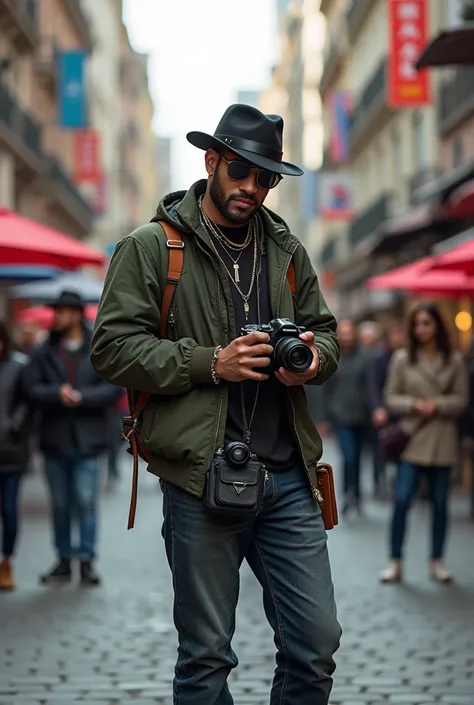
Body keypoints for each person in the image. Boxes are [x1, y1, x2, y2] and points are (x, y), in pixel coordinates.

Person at [91, 104, 341, 705]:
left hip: (286, 478)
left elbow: (327, 333)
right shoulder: (153, 247)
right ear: (212, 162)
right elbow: (111, 348)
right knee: (205, 659)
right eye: (241, 172)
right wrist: (210, 363)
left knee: (316, 644)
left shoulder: (284, 249)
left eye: (266, 179)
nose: (252, 188)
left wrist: (307, 358)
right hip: (200, 478)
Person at [24, 290, 121, 587]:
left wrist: (81, 397)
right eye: (57, 311)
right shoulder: (43, 350)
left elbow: (114, 386)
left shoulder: (99, 347)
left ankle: (87, 561)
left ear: (78, 314)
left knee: (86, 501)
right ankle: (64, 559)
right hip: (55, 438)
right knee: (62, 503)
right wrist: (57, 393)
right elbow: (30, 389)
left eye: (64, 311)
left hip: (89, 439)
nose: (58, 317)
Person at [379, 303, 467, 584]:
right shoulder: (403, 359)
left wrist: (437, 406)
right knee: (402, 501)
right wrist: (415, 405)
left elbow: (462, 400)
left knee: (440, 503)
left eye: (427, 323)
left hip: (441, 439)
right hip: (412, 438)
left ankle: (437, 561)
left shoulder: (453, 359)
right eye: (417, 324)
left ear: (437, 326)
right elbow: (391, 398)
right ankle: (395, 561)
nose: (421, 329)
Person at [321, 319, 370, 515]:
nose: (347, 337)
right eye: (344, 333)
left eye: (350, 332)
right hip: (339, 415)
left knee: (358, 457)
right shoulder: (334, 357)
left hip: (361, 415)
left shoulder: (364, 357)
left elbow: (369, 386)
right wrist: (323, 417)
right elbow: (325, 389)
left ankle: (356, 495)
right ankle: (347, 494)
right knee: (348, 456)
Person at [0, 321, 30, 591]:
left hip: (10, 451)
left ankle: (6, 562)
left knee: (9, 509)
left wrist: (15, 423)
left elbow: (27, 401)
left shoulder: (19, 367)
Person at [367, 323, 406, 495]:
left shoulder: (407, 357)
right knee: (381, 448)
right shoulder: (379, 358)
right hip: (384, 409)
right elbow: (373, 386)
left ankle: (398, 483)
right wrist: (377, 408)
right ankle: (379, 480)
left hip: (403, 410)